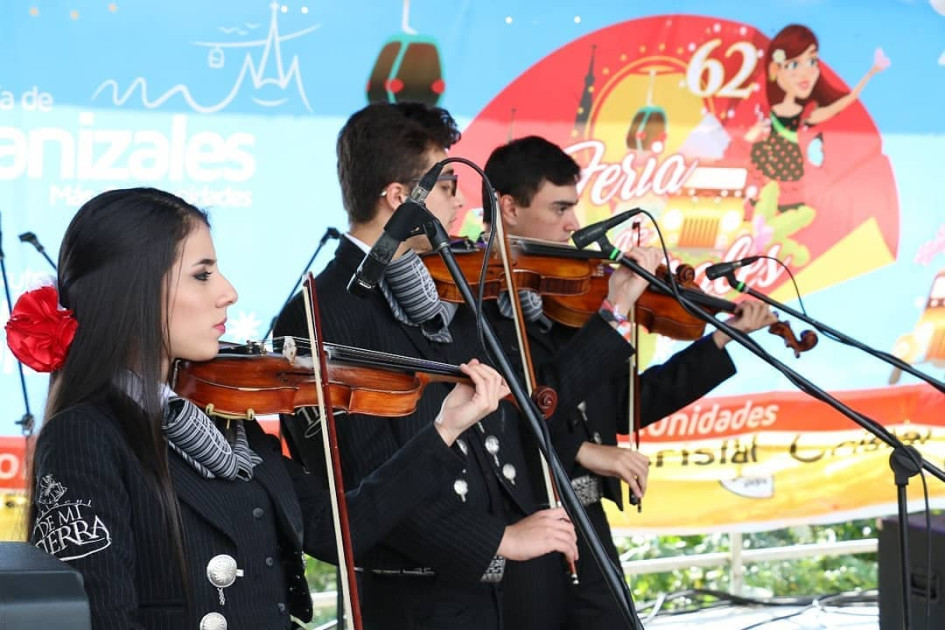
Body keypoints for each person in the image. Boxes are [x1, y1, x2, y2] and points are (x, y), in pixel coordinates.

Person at [9, 187, 520, 630]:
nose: (228, 293)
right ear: (134, 291)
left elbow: (337, 528)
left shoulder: (225, 415)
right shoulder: (84, 435)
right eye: (202, 275)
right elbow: (104, 619)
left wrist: (444, 428)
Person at [274, 104, 609, 630]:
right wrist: (499, 539)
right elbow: (369, 482)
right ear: (400, 198)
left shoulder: (445, 282)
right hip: (427, 595)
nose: (460, 205)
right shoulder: (318, 312)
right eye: (449, 185)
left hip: (520, 576)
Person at [483, 135, 778, 628]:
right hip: (521, 524)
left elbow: (623, 407)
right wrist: (582, 450)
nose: (574, 224)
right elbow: (511, 411)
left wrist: (722, 342)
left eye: (574, 208)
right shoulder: (476, 300)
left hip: (585, 522)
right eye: (559, 209)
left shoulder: (566, 297)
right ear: (508, 208)